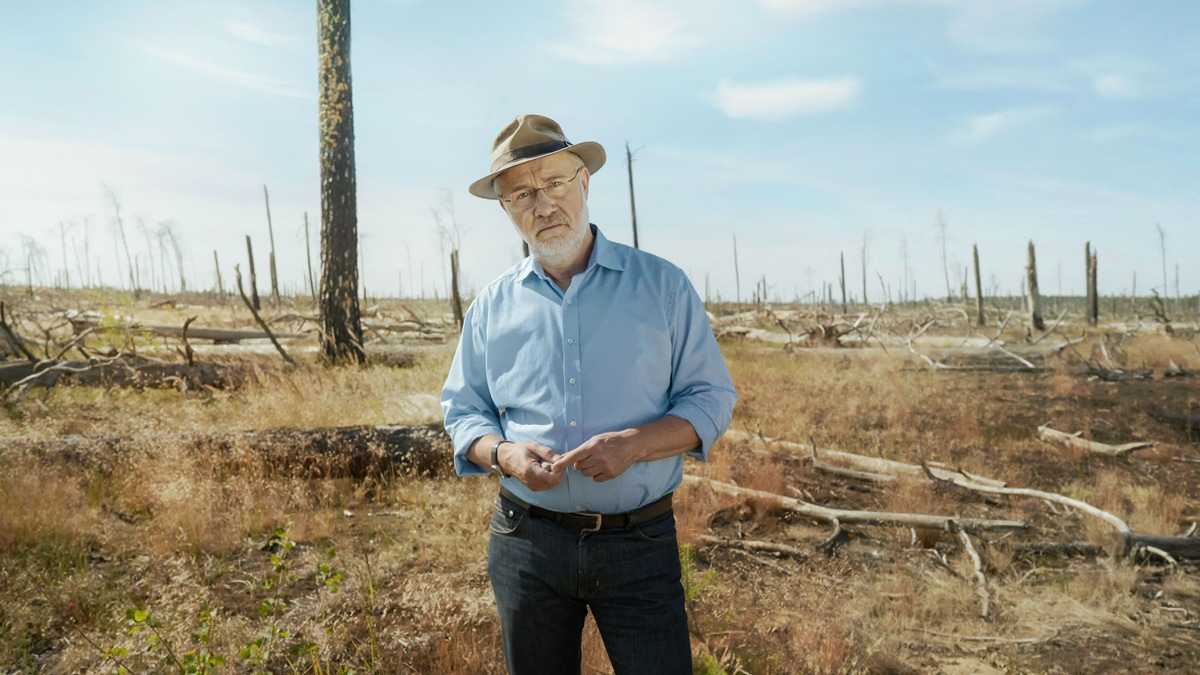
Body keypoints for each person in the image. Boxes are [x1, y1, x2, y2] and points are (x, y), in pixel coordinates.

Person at [441, 114, 737, 674]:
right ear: (505, 208)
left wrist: (636, 445)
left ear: (584, 182)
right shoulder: (491, 307)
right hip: (526, 541)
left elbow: (710, 397)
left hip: (640, 543)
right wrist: (503, 454)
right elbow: (463, 411)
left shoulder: (663, 287)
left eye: (555, 183)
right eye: (522, 194)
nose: (543, 205)